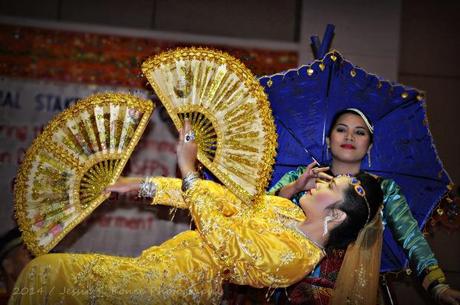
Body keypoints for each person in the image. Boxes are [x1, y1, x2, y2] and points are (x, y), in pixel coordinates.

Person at [9, 120, 383, 305]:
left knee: (46, 274)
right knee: (44, 273)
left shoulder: (297, 257)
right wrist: (142, 187)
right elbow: (217, 199)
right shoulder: (282, 210)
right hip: (155, 269)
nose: (319, 184)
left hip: (169, 292)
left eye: (329, 187)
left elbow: (226, 241)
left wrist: (188, 170)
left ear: (335, 217)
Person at [269, 108, 460, 305]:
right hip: (292, 287)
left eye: (360, 132)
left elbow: (412, 239)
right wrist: (293, 188)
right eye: (341, 130)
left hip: (355, 291)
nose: (349, 137)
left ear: (369, 146)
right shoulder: (302, 177)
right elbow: (255, 218)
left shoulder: (383, 190)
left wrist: (438, 285)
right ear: (328, 139)